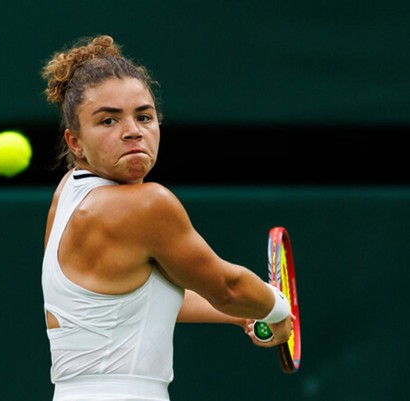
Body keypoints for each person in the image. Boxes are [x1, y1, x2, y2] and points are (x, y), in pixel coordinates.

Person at [40, 34, 293, 401]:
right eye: (108, 121)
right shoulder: (147, 204)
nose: (133, 131)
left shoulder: (66, 193)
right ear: (74, 142)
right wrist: (277, 307)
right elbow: (228, 288)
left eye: (144, 116)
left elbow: (141, 299)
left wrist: (241, 314)